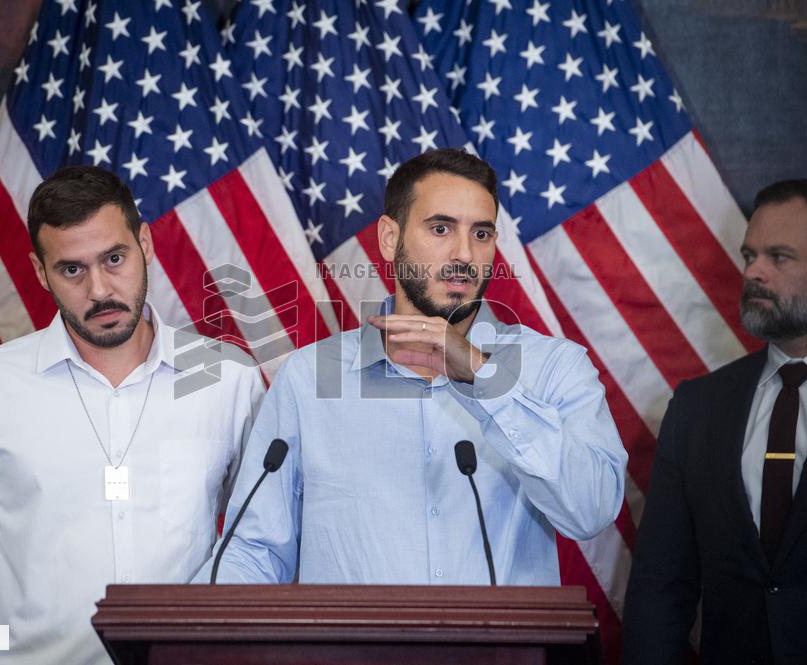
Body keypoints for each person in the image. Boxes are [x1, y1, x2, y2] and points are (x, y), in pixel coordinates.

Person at [202, 148, 627, 585]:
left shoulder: (553, 367)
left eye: (481, 234)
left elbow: (591, 511)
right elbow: (253, 552)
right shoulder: (309, 379)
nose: (463, 253)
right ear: (390, 238)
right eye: (440, 228)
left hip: (500, 655)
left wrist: (484, 378)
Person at [0, 166, 264, 664]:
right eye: (72, 269)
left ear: (146, 244)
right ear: (39, 272)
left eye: (114, 258)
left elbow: (260, 546)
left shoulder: (229, 379)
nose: (99, 290)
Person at [623, 180, 807, 664]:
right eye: (750, 255)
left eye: (779, 257)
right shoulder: (698, 408)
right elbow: (661, 586)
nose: (753, 272)